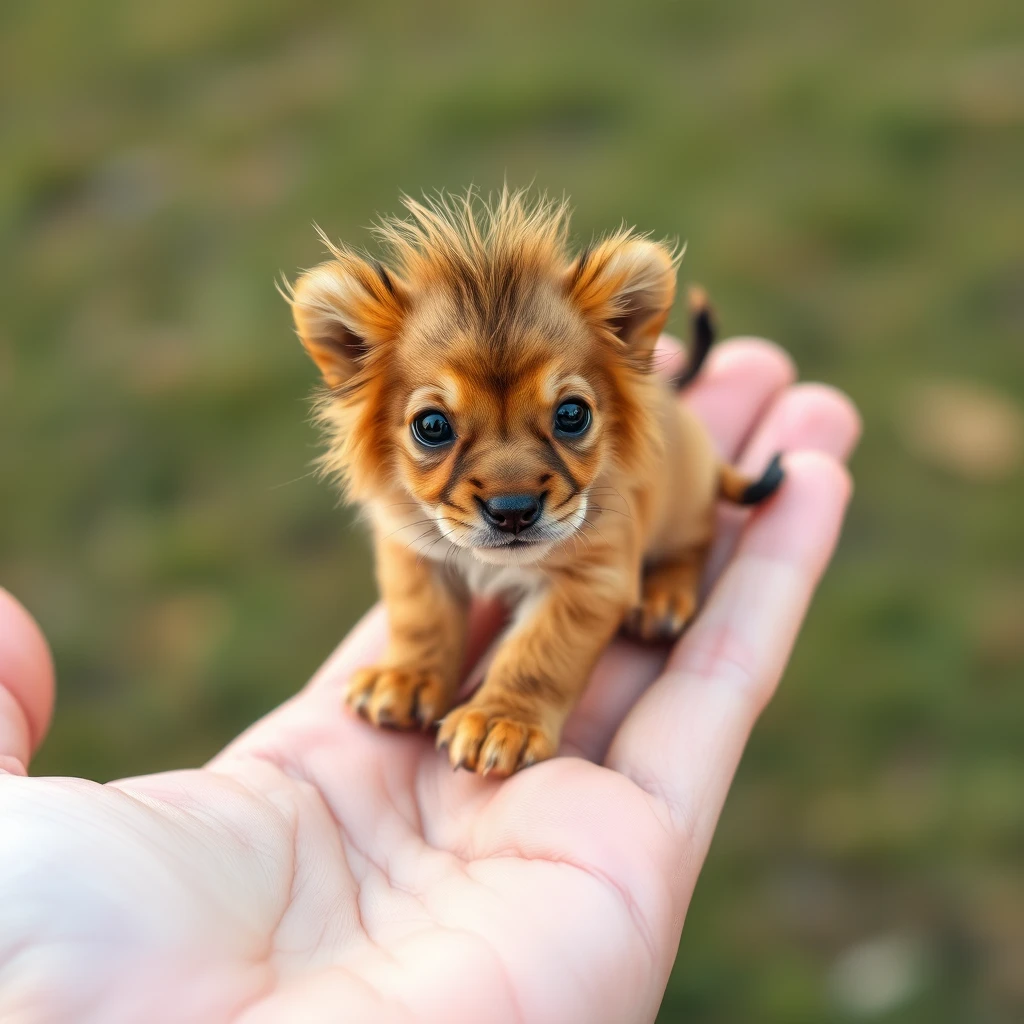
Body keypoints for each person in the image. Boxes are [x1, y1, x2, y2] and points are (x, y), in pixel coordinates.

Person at [0, 336, 859, 1024]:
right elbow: (410, 551)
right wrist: (419, 657)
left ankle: (683, 559)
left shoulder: (619, 473)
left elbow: (593, 579)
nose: (514, 491)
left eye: (568, 415)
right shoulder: (408, 503)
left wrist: (519, 698)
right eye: (436, 429)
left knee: (652, 535)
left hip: (667, 503)